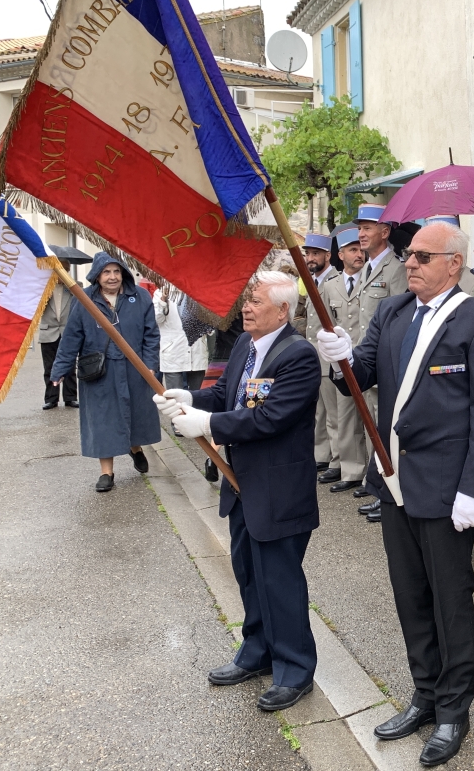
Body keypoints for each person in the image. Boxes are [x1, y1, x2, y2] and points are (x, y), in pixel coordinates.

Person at [316, 222, 474, 767]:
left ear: (454, 263)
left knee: (451, 601)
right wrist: (339, 357)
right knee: (411, 597)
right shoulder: (394, 311)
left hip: (447, 487)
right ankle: (425, 693)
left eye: (424, 256)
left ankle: (454, 710)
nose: (412, 263)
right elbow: (360, 375)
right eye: (410, 255)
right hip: (395, 479)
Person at [155, 272, 323, 713]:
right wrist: (189, 398)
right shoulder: (247, 345)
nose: (245, 308)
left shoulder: (298, 355)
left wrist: (208, 424)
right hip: (241, 484)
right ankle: (257, 651)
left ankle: (294, 670)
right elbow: (227, 394)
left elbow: (270, 418)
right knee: (248, 573)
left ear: (283, 310)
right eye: (247, 300)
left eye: (256, 301)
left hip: (279, 490)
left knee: (280, 580)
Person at [51, 253, 160, 493]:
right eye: (106, 272)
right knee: (103, 420)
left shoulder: (140, 297)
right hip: (100, 371)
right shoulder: (84, 300)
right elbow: (71, 338)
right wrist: (60, 369)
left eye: (116, 271)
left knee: (134, 414)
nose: (112, 277)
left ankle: (135, 448)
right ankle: (106, 472)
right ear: (97, 276)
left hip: (134, 368)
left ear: (123, 273)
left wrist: (150, 364)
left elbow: (151, 334)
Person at [325, 224, 380, 513]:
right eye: (352, 250)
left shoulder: (373, 277)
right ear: (341, 254)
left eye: (360, 249)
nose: (359, 254)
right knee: (344, 418)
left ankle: (373, 477)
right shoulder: (331, 285)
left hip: (367, 359)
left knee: (372, 420)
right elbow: (324, 322)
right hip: (343, 361)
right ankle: (351, 470)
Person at [300, 232, 341, 485]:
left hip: (328, 356)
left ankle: (337, 460)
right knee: (319, 411)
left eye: (316, 253)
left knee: (334, 414)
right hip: (313, 357)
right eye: (308, 254)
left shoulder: (335, 281)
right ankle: (322, 455)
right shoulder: (313, 281)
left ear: (328, 255)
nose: (310, 258)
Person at [154, 289, 208, 391]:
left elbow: (210, 326)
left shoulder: (200, 290)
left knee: (197, 396)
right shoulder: (161, 291)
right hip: (173, 352)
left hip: (197, 352)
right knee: (175, 396)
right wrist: (163, 301)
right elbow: (157, 320)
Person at [38, 280, 78, 409]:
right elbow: (36, 307)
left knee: (70, 367)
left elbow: (80, 302)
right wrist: (45, 292)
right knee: (49, 367)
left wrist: (69, 286)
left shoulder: (74, 286)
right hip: (48, 331)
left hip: (68, 331)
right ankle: (51, 399)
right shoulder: (42, 287)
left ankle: (71, 397)